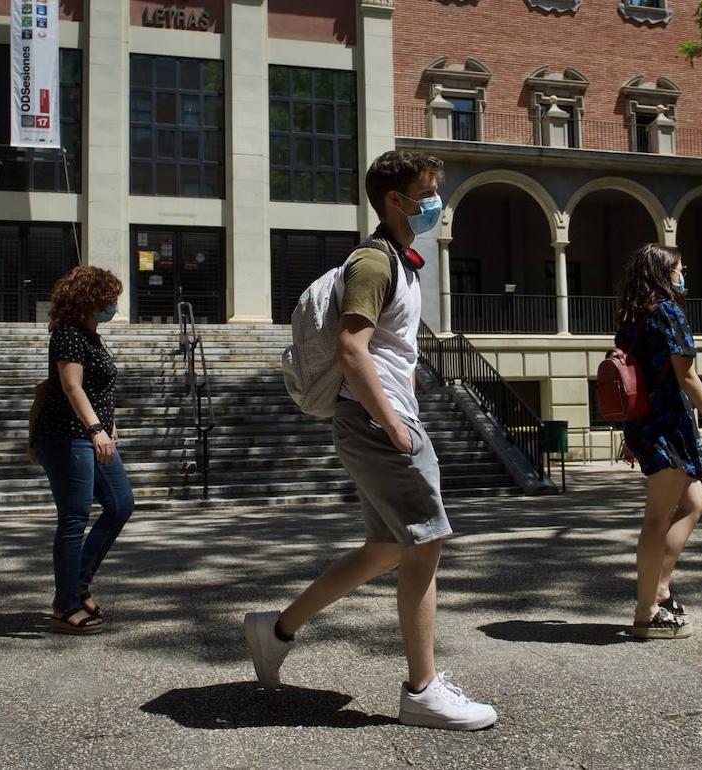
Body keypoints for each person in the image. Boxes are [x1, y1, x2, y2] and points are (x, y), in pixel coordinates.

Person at [243, 150, 497, 731]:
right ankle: (422, 690)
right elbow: (352, 348)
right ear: (394, 200)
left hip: (383, 416)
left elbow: (391, 351)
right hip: (376, 420)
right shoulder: (374, 263)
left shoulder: (401, 263)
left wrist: (405, 410)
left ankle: (277, 629)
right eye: (428, 191)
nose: (437, 202)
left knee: (387, 548)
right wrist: (394, 424)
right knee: (425, 544)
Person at [614, 244, 702, 639]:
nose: (683, 275)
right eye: (679, 269)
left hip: (646, 425)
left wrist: (630, 433)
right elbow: (687, 377)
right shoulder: (668, 313)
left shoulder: (631, 317)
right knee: (656, 518)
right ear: (664, 273)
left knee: (694, 503)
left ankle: (660, 587)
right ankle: (645, 611)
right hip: (667, 425)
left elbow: (630, 379)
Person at [32, 266, 134, 635]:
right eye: (109, 300)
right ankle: (65, 606)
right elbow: (72, 386)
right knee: (74, 519)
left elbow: (99, 388)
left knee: (121, 504)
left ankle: (77, 582)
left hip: (94, 434)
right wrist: (95, 429)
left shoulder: (93, 336)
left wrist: (110, 424)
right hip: (67, 436)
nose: (114, 306)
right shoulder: (68, 335)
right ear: (90, 301)